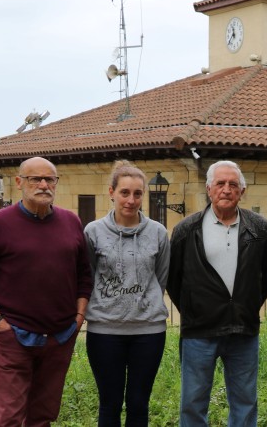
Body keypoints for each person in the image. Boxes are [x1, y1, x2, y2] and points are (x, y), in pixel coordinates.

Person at [0, 156, 93, 426]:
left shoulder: (71, 222)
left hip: (59, 337)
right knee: (8, 417)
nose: (44, 185)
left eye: (50, 179)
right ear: (20, 182)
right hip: (13, 338)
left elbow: (84, 275)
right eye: (36, 178)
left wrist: (79, 317)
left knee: (43, 416)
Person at [168, 160, 267, 427]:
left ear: (242, 191)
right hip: (199, 333)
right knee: (193, 403)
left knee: (245, 402)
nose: (226, 189)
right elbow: (173, 279)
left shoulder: (259, 228)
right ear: (209, 189)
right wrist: (196, 308)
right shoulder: (186, 230)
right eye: (220, 184)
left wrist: (243, 305)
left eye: (233, 184)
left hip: (243, 332)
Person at [84, 160, 170, 427]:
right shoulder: (93, 232)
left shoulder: (158, 232)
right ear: (111, 192)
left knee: (138, 404)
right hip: (104, 331)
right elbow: (87, 276)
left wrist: (145, 303)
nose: (131, 200)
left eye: (137, 193)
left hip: (148, 331)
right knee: (109, 405)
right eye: (124, 192)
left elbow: (161, 277)